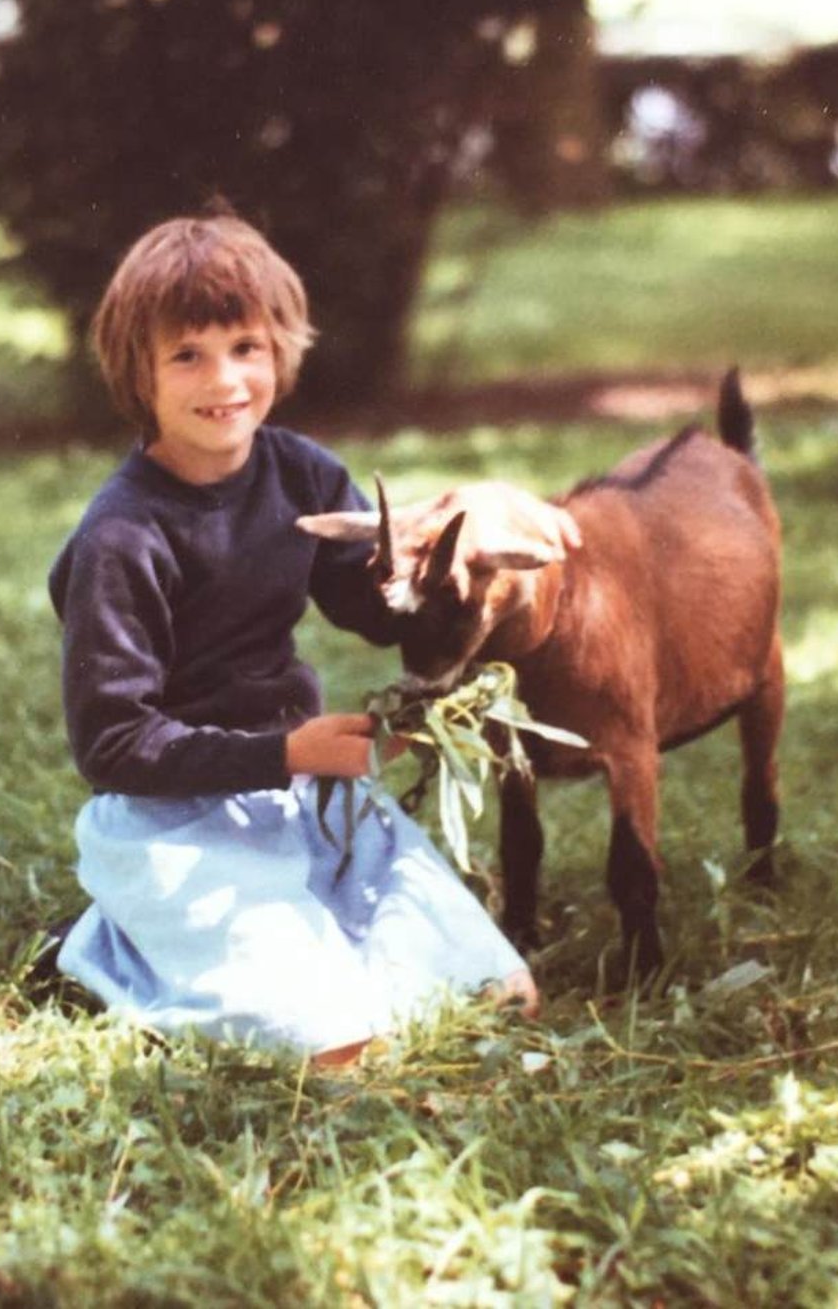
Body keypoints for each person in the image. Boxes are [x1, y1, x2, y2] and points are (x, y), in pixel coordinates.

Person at [48, 208, 573, 1065]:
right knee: (333, 1045)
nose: (225, 380)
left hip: (308, 802)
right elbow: (111, 743)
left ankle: (252, 926)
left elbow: (376, 607)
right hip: (176, 816)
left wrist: (461, 546)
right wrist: (286, 751)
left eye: (246, 347)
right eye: (188, 354)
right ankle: (112, 942)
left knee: (495, 994)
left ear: (281, 350)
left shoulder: (299, 473)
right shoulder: (123, 536)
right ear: (137, 373)